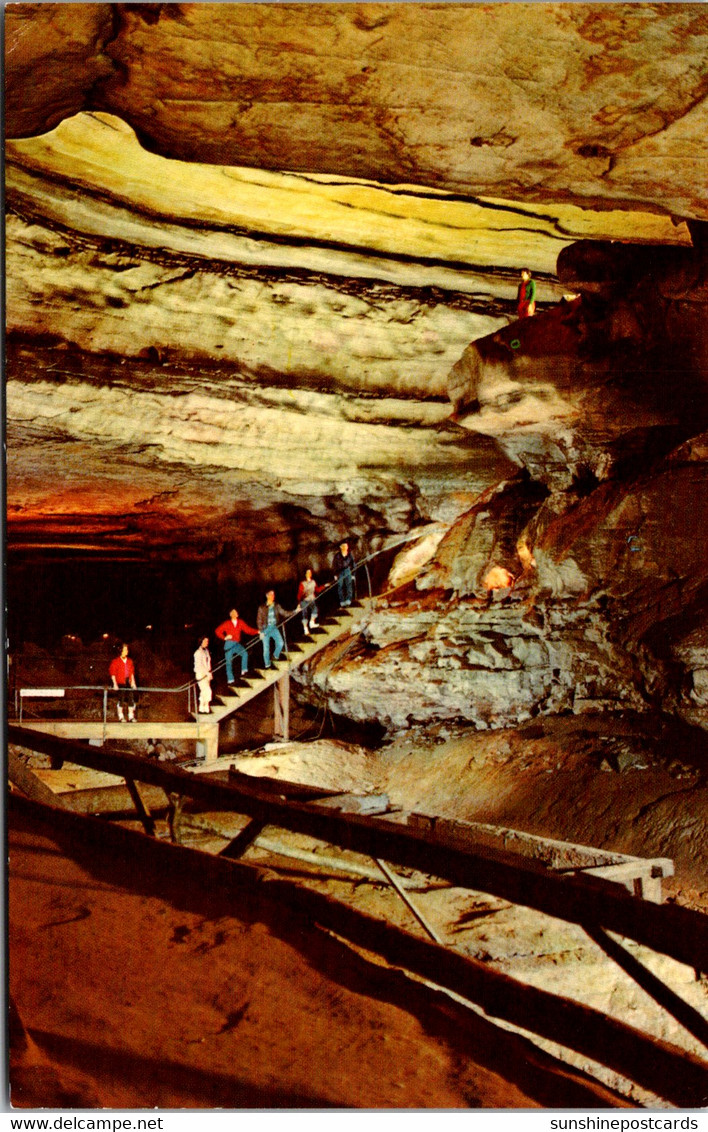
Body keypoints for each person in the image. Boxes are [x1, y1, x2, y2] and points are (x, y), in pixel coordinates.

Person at [214, 608, 259, 686]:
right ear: (230, 614)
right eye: (233, 612)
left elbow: (248, 630)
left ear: (237, 614)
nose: (234, 614)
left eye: (236, 612)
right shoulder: (227, 623)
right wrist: (224, 637)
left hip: (236, 644)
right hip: (229, 644)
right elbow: (217, 631)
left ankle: (244, 671)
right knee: (229, 662)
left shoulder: (240, 622)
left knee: (244, 653)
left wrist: (257, 631)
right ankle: (230, 680)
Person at [257, 589, 299, 669]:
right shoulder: (262, 608)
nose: (273, 596)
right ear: (267, 596)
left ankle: (275, 656)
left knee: (280, 643)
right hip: (265, 628)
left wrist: (295, 611)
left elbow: (284, 613)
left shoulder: (276, 606)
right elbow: (259, 620)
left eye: (273, 594)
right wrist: (261, 631)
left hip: (273, 627)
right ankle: (267, 665)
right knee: (266, 648)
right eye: (271, 594)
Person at [108, 643, 137, 722]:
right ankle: (121, 716)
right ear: (120, 651)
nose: (126, 651)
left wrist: (133, 683)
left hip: (128, 681)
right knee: (121, 698)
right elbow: (113, 673)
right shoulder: (116, 661)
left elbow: (131, 673)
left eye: (127, 650)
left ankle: (131, 716)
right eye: (125, 650)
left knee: (131, 698)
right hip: (120, 682)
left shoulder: (130, 661)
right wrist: (115, 684)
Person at [297, 568, 324, 634]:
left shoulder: (313, 582)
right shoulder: (302, 583)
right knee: (304, 613)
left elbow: (317, 589)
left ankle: (312, 622)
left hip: (311, 599)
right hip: (304, 600)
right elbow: (300, 594)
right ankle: (305, 628)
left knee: (315, 609)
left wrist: (324, 586)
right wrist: (298, 603)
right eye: (308, 573)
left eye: (310, 573)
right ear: (305, 574)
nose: (309, 574)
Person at [193, 636, 213, 714]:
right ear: (201, 642)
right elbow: (199, 665)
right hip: (201, 674)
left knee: (204, 691)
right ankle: (205, 707)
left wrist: (210, 673)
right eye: (205, 641)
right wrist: (206, 673)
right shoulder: (197, 653)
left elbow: (208, 663)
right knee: (207, 690)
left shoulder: (206, 651)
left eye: (207, 641)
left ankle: (203, 708)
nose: (207, 643)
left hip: (207, 675)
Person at [333, 540, 356, 607]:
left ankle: (348, 600)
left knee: (349, 585)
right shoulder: (337, 555)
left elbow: (353, 564)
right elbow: (334, 565)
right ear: (341, 547)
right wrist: (335, 574)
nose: (346, 547)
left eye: (346, 546)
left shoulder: (349, 555)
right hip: (340, 571)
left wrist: (353, 574)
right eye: (344, 546)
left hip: (347, 570)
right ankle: (342, 601)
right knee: (340, 586)